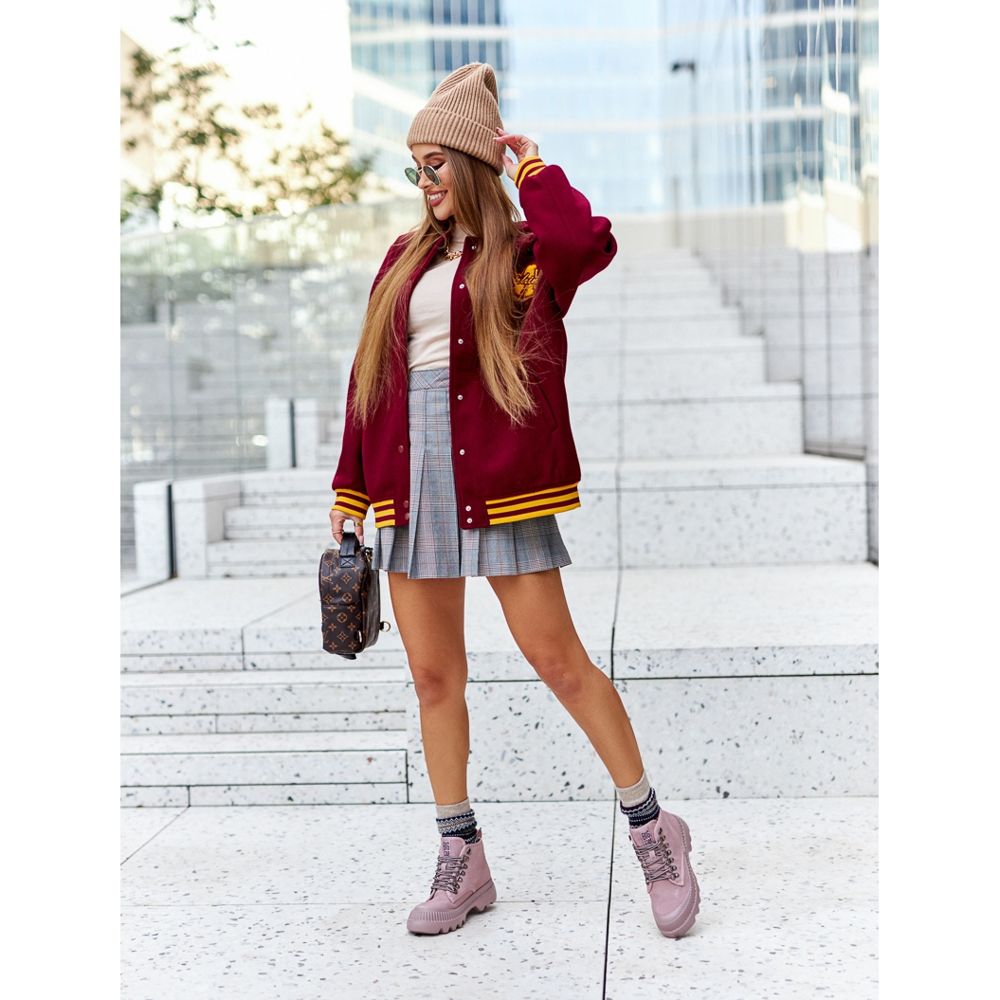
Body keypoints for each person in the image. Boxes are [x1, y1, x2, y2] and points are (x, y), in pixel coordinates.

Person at [329, 62, 700, 939]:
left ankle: (655, 830)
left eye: (436, 165)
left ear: (470, 163)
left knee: (559, 661)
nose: (424, 183)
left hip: (500, 479)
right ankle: (462, 857)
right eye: (415, 167)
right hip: (410, 480)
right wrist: (350, 489)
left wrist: (530, 166)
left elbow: (586, 240)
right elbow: (369, 379)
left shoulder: (529, 253)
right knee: (434, 678)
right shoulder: (403, 258)